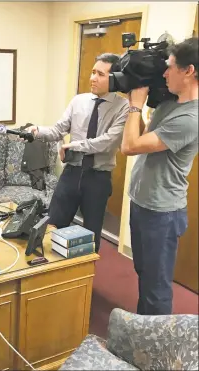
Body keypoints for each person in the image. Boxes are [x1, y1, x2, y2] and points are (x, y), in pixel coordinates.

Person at [121, 37, 198, 315]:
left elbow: (129, 146)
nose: (164, 73)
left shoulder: (191, 118)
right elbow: (141, 137)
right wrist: (134, 104)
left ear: (189, 71)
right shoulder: (168, 105)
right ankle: (143, 332)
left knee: (156, 289)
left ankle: (155, 354)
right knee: (144, 273)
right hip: (142, 202)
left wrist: (135, 106)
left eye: (171, 67)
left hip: (162, 213)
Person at [28, 53, 129, 252]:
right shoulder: (78, 101)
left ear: (115, 78)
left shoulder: (123, 107)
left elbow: (107, 142)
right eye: (93, 72)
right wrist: (36, 130)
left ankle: (84, 280)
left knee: (91, 235)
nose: (92, 78)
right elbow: (58, 131)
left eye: (100, 74)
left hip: (98, 179)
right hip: (71, 174)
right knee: (52, 227)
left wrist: (73, 146)